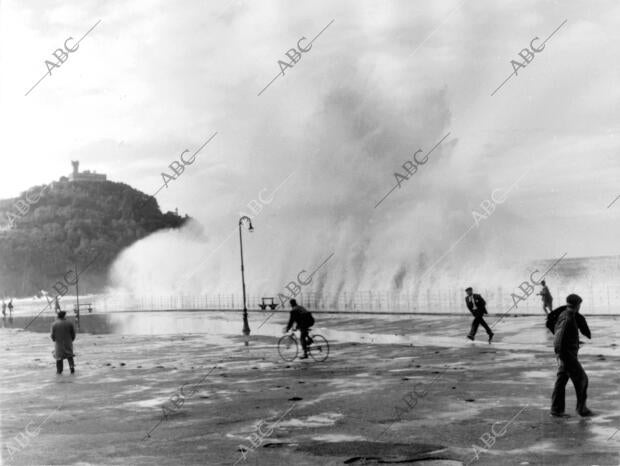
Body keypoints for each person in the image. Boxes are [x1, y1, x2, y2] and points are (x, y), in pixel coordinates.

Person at [550, 294, 592, 417]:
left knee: (561, 380)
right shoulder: (568, 318)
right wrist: (560, 355)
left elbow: (561, 335)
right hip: (567, 355)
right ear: (577, 305)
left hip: (566, 353)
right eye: (580, 305)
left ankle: (556, 410)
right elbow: (559, 337)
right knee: (582, 379)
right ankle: (581, 409)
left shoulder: (564, 314)